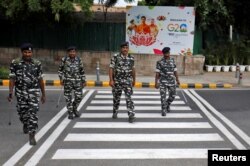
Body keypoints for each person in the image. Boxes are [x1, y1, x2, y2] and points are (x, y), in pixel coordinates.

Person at [8, 43, 46, 146]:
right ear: (22, 52)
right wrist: (10, 92)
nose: (28, 54)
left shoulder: (37, 63)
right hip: (20, 93)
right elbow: (12, 78)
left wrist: (43, 94)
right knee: (22, 113)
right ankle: (25, 123)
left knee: (33, 114)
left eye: (29, 52)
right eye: (25, 52)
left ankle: (32, 135)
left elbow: (40, 79)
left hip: (34, 92)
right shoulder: (15, 63)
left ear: (32, 52)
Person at [109, 42, 136, 123]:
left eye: (126, 47)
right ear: (121, 49)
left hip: (128, 81)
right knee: (116, 98)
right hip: (117, 81)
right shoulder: (115, 57)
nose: (125, 49)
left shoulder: (131, 57)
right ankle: (115, 111)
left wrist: (134, 79)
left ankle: (131, 114)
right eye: (123, 48)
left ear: (128, 49)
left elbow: (133, 69)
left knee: (129, 99)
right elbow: (111, 68)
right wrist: (111, 80)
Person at [58, 46, 86, 120]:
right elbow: (60, 70)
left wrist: (83, 80)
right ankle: (70, 112)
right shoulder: (64, 60)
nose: (72, 53)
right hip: (67, 82)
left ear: (75, 52)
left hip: (77, 81)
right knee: (68, 98)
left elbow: (82, 71)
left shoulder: (79, 60)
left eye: (73, 51)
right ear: (68, 53)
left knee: (79, 96)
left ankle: (74, 108)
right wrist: (61, 78)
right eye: (70, 52)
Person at [155, 47, 180, 116]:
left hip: (171, 81)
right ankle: (163, 109)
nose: (167, 54)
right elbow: (157, 73)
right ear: (163, 54)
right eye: (166, 53)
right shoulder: (159, 62)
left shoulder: (173, 61)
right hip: (163, 81)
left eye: (168, 53)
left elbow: (175, 71)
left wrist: (177, 80)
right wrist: (156, 83)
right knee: (163, 96)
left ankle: (167, 104)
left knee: (173, 95)